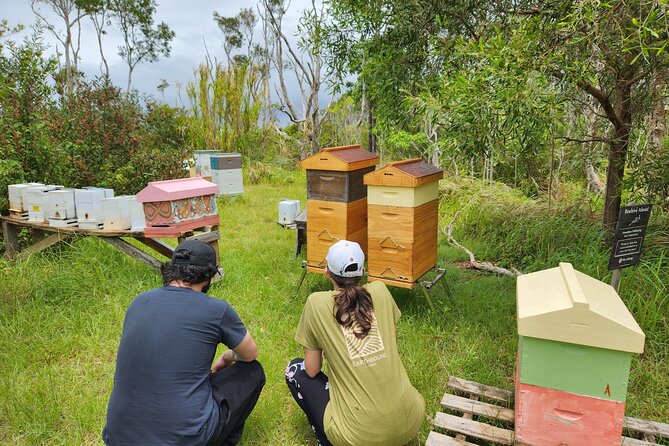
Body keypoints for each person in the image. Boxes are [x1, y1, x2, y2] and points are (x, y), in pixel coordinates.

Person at [103, 240, 265, 446]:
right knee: (253, 372)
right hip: (184, 438)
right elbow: (250, 354)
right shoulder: (216, 309)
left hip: (118, 437)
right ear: (208, 276)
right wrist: (228, 356)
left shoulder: (138, 302)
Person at [286, 240, 424, 446]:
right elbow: (391, 345)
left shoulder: (316, 303)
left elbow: (312, 370)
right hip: (409, 423)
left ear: (327, 272)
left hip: (358, 438)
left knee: (295, 369)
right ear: (363, 271)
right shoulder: (380, 291)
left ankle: (327, 440)